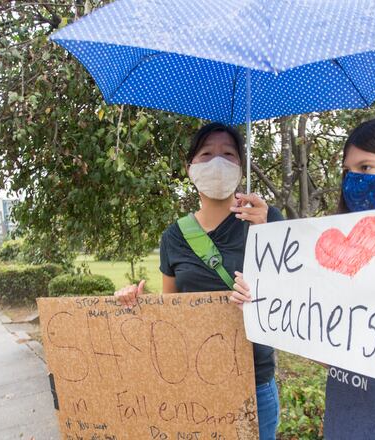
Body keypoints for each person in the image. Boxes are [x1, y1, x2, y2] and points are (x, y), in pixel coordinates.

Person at [232, 114, 375, 439]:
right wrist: (265, 298)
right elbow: (329, 351)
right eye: (347, 170)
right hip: (343, 424)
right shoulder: (342, 253)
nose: (352, 180)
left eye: (366, 168)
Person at [114, 122, 284, 439]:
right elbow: (170, 313)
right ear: (189, 167)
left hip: (255, 380)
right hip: (192, 381)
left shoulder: (267, 219)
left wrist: (269, 235)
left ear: (241, 167)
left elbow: (293, 298)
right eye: (206, 154)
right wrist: (132, 303)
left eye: (228, 154)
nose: (217, 162)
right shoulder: (174, 237)